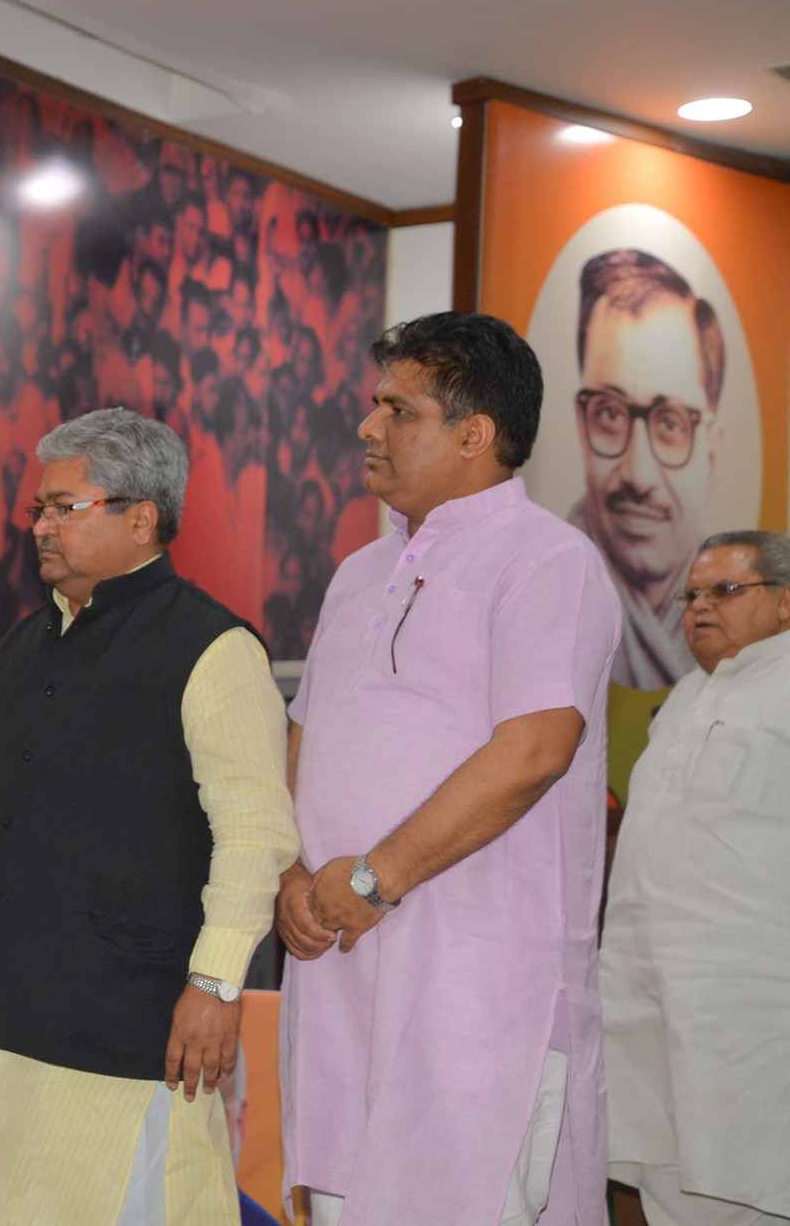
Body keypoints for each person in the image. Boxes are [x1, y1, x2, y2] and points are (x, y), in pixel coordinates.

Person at [0, 408, 298, 1226]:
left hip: (123, 1024)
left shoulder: (214, 648)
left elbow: (256, 835)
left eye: (63, 507)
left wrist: (214, 983)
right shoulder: (21, 646)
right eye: (38, 508)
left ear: (142, 517)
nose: (39, 525)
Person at [276, 312, 621, 1225]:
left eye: (398, 408)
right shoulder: (357, 571)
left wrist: (372, 877)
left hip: (476, 985)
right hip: (342, 960)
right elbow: (302, 741)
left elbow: (534, 750)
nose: (368, 426)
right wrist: (288, 875)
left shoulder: (549, 560)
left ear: (475, 435)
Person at [601, 531, 790, 1226]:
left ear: (786, 603)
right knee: (668, 1178)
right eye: (692, 595)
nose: (700, 607)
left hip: (752, 1009)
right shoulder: (684, 698)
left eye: (726, 591)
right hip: (649, 996)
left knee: (752, 1185)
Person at [568, 249, 728, 690]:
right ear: (581, 426)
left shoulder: (746, 626)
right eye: (611, 414)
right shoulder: (547, 588)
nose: (638, 474)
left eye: (670, 423)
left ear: (711, 454)